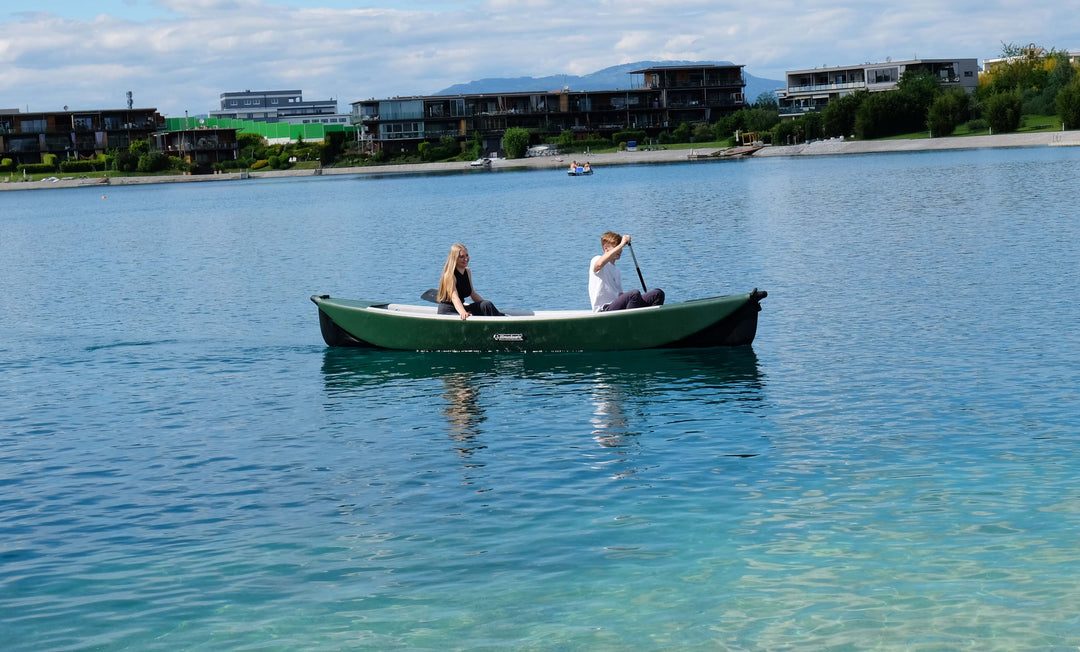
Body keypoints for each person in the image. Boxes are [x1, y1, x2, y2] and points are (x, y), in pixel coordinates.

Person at [588, 231, 665, 312]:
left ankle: (649, 322)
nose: (620, 250)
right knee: (634, 294)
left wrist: (638, 299)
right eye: (616, 247)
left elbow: (620, 295)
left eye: (621, 247)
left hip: (617, 306)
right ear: (606, 248)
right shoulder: (596, 259)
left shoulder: (616, 270)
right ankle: (630, 322)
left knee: (658, 294)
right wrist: (622, 244)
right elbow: (599, 264)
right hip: (604, 309)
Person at [437, 243, 503, 319]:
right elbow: (454, 297)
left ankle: (501, 319)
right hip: (449, 311)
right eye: (461, 257)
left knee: (486, 304)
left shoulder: (467, 271)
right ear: (455, 258)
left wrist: (489, 307)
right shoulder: (450, 275)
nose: (466, 259)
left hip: (461, 307)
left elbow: (472, 294)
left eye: (467, 255)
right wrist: (463, 312)